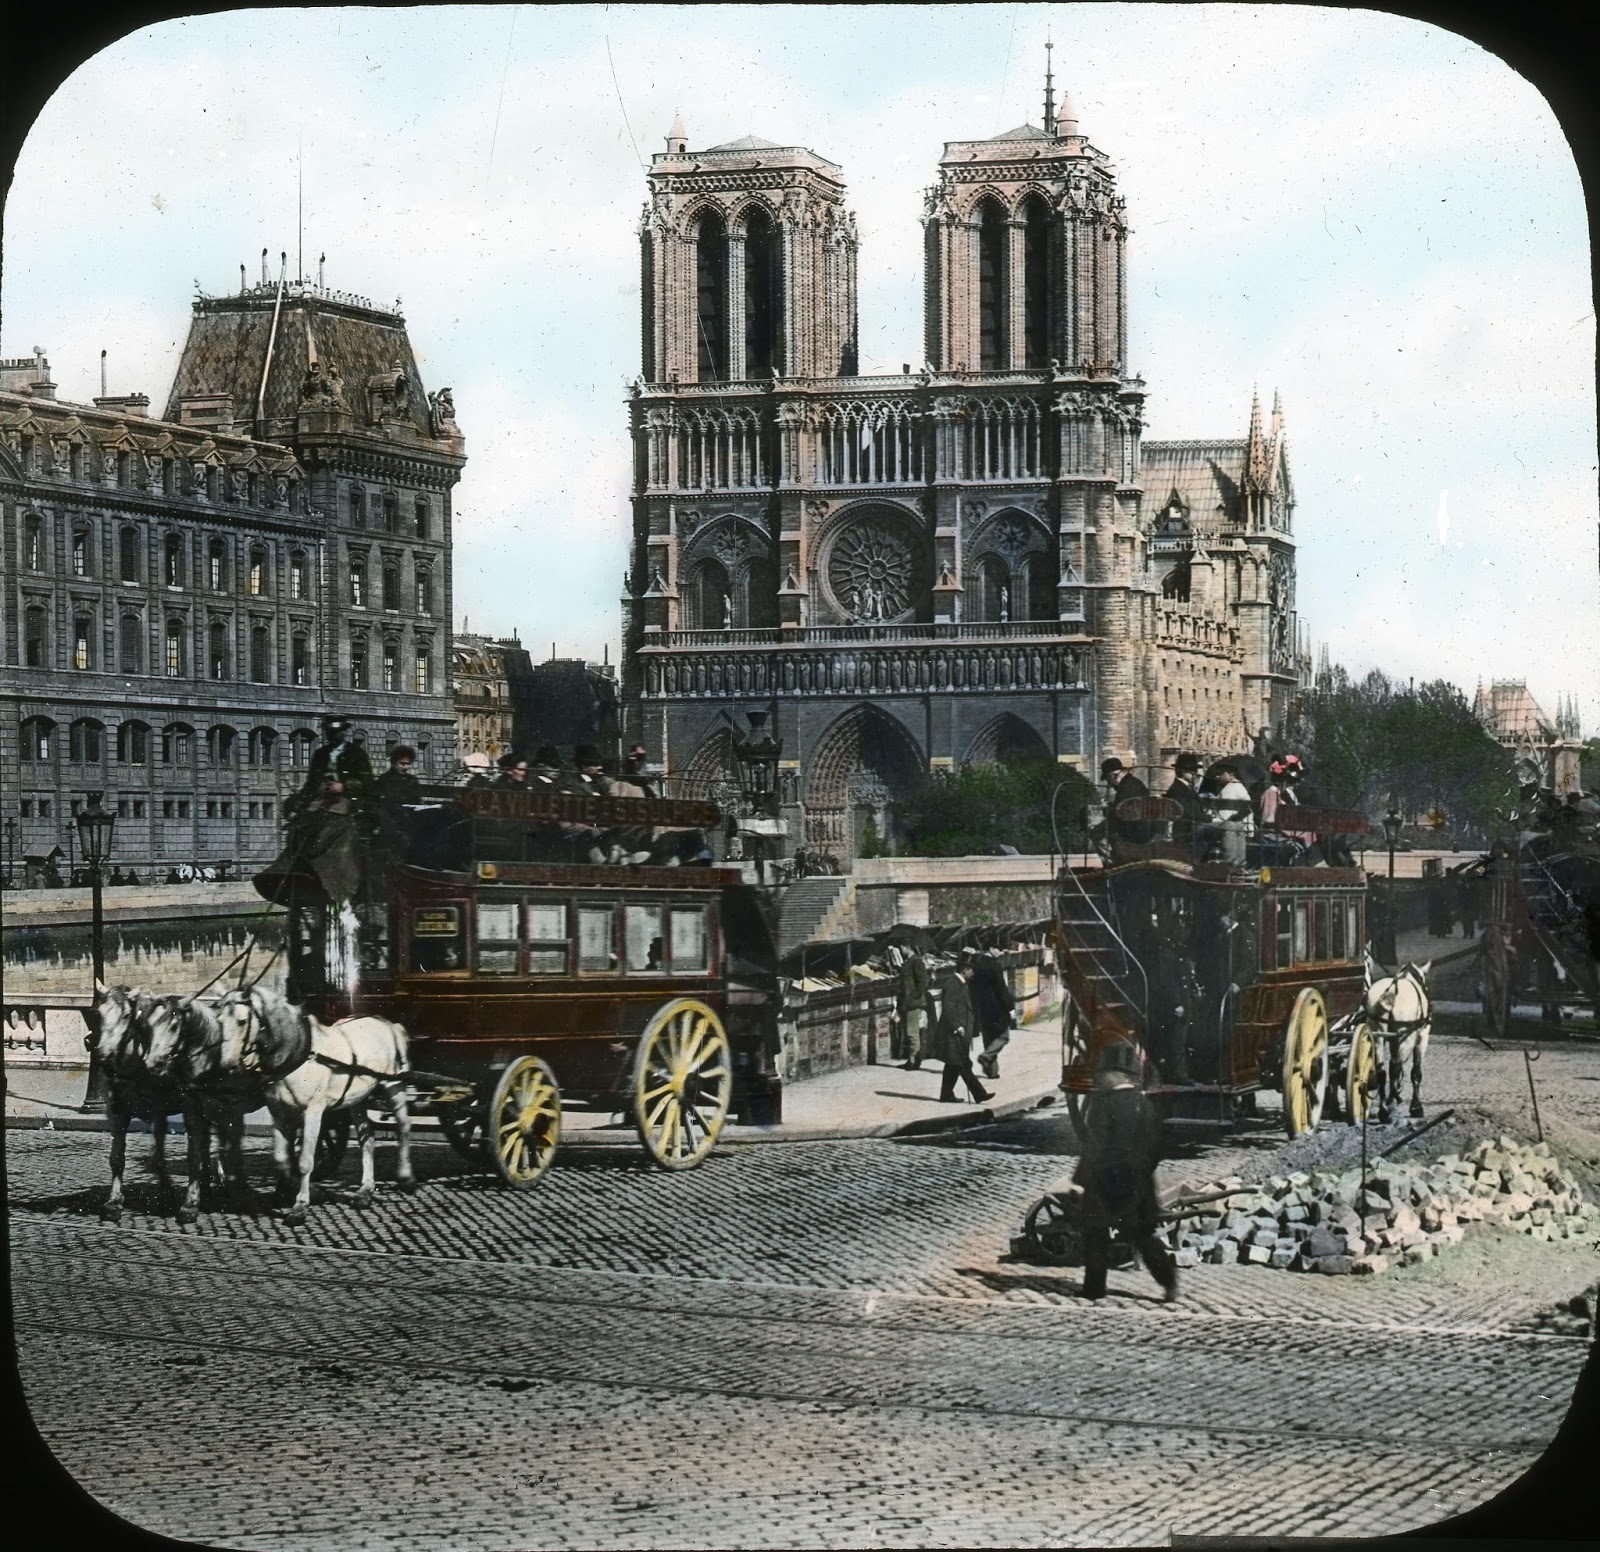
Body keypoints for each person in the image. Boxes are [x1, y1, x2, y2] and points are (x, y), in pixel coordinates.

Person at [1073, 1040, 1178, 1303]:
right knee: (1143, 1235)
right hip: (1137, 1183)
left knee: (1095, 1233)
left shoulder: (1102, 1105)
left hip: (1103, 1182)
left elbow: (1094, 1145)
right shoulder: (1146, 1106)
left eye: (1103, 1075)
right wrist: (1142, 1170)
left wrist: (1082, 1179)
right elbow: (1157, 1145)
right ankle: (1169, 1281)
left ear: (1113, 1075)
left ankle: (1094, 1288)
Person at [930, 953, 991, 1104]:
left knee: (955, 1064)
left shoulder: (961, 983)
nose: (973, 973)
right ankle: (979, 1094)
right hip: (954, 1033)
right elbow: (949, 1008)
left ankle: (947, 1095)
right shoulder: (952, 984)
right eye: (971, 970)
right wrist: (957, 1027)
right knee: (961, 1064)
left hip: (959, 1033)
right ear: (964, 970)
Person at [971, 945, 1016, 1081]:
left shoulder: (977, 962)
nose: (1001, 952)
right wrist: (1009, 1006)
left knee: (989, 1038)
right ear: (991, 948)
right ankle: (986, 1056)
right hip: (997, 1007)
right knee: (1003, 1037)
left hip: (983, 1008)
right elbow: (1001, 988)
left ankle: (992, 1072)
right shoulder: (994, 965)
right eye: (999, 949)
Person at [1100, 756, 1152, 856]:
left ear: (1113, 776)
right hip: (1142, 826)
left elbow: (1120, 813)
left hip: (1134, 831)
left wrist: (1105, 808)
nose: (1109, 784)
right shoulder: (1133, 783)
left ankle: (1115, 860)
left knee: (1097, 833)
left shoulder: (1125, 787)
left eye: (1108, 780)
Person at [893, 944, 931, 1071]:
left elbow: (923, 982)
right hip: (906, 1003)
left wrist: (913, 996)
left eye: (901, 947)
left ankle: (914, 1061)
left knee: (912, 1032)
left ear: (908, 946)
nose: (900, 950)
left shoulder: (916, 961)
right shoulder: (909, 962)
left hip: (912, 1003)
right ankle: (911, 1059)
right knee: (910, 1032)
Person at [1208, 763, 1254, 866]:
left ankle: (1231, 861)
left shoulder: (1229, 789)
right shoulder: (1240, 787)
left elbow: (1224, 817)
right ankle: (1241, 862)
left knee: (1230, 826)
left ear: (1231, 775)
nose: (1217, 776)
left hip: (1230, 822)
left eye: (1220, 774)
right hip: (1245, 824)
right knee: (1236, 826)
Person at [1164, 753, 1206, 852]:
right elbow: (1187, 812)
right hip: (1187, 829)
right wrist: (1208, 817)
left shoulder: (1186, 787)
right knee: (1228, 827)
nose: (1195, 773)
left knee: (1234, 826)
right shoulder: (1177, 789)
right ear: (1183, 772)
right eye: (1193, 771)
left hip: (1194, 825)